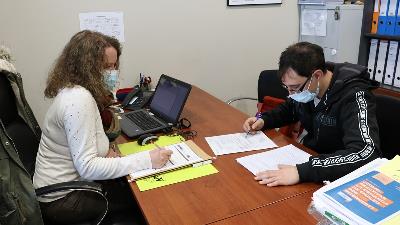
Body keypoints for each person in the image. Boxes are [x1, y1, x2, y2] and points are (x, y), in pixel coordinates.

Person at [33, 30, 173, 224]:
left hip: (70, 186)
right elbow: (88, 168)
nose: (112, 72)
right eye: (106, 67)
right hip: (63, 200)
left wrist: (104, 151)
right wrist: (148, 159)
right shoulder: (77, 100)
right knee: (148, 201)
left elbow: (84, 148)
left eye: (114, 65)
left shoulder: (78, 91)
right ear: (86, 67)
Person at [243, 42, 381, 187]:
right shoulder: (309, 89)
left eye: (295, 88)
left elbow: (366, 152)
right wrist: (263, 120)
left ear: (317, 75)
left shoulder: (354, 95)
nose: (291, 94)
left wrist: (301, 172)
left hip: (338, 176)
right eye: (287, 87)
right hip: (311, 159)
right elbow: (290, 109)